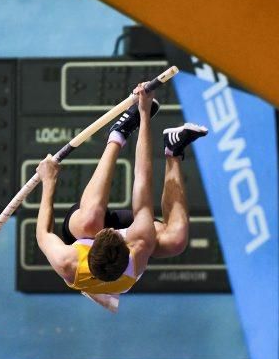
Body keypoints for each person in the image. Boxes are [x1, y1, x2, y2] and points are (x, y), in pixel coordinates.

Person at [35, 82, 208, 311]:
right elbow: (142, 179)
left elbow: (43, 233)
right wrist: (144, 115)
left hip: (80, 232)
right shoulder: (138, 249)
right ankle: (173, 150)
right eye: (113, 233)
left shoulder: (68, 261)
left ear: (91, 248)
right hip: (122, 258)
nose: (110, 229)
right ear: (127, 247)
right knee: (175, 240)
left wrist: (49, 181)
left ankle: (118, 134)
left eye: (107, 233)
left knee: (90, 221)